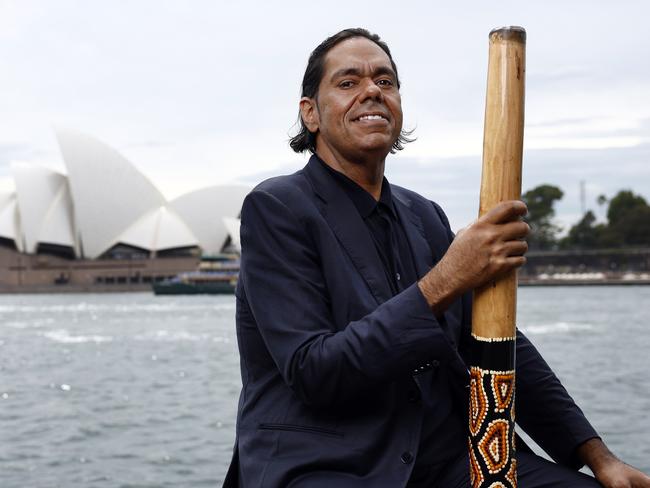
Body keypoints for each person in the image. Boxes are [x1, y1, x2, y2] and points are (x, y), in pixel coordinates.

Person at [224, 28, 650, 487]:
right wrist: (446, 279)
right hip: (331, 464)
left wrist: (598, 456)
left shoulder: (423, 215)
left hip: (450, 457)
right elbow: (316, 371)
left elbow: (497, 340)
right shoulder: (277, 208)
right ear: (310, 113)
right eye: (348, 83)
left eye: (385, 82)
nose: (372, 91)